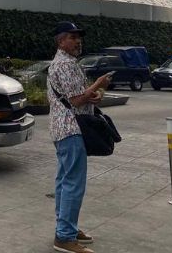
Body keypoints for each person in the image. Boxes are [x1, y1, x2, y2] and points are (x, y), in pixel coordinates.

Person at [47, 22, 113, 253]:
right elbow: (75, 100)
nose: (78, 41)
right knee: (73, 183)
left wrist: (94, 95)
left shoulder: (67, 63)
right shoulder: (64, 64)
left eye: (79, 37)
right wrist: (99, 83)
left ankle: (66, 229)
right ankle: (64, 237)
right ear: (60, 41)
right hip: (70, 129)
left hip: (65, 129)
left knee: (65, 181)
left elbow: (78, 96)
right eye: (72, 37)